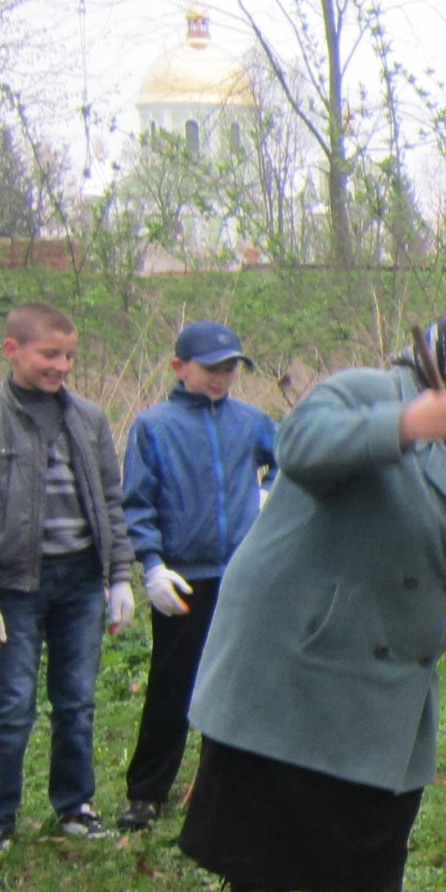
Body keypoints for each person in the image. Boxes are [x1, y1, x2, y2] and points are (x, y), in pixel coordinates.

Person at [178, 311, 446, 892]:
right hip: (302, 643)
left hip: (385, 659)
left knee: (388, 798)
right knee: (271, 808)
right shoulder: (364, 392)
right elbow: (300, 448)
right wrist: (407, 422)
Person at [0, 303, 136, 869]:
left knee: (76, 700)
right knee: (12, 705)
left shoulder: (89, 418)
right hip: (14, 587)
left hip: (79, 581)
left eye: (69, 355)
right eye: (50, 354)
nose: (61, 366)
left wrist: (119, 575)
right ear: (12, 350)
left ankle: (75, 805)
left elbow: (110, 502)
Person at [116, 320, 278, 834]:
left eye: (230, 368)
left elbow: (288, 462)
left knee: (234, 680)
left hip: (240, 573)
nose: (222, 378)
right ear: (179, 367)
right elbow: (137, 502)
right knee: (172, 681)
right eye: (211, 368)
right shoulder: (154, 426)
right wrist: (151, 565)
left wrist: (267, 494)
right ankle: (146, 791)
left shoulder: (251, 420)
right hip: (182, 577)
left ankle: (220, 785)